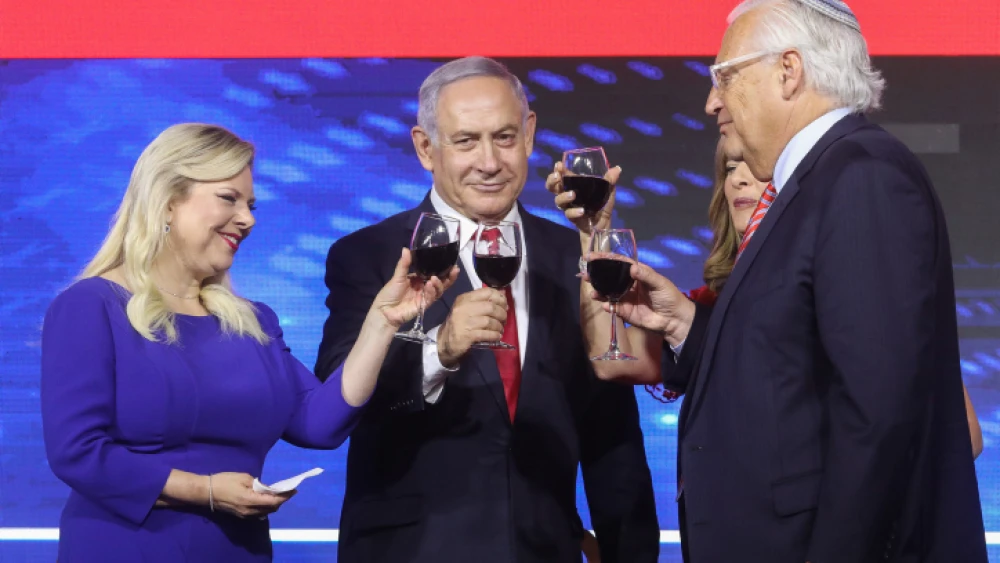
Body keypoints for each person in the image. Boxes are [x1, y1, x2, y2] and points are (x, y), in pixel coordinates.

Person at [557, 1, 989, 561]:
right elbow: (794, 362)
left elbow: (876, 414)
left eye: (725, 77)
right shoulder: (819, 182)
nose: (713, 101)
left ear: (789, 71)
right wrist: (688, 322)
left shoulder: (861, 176)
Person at [40, 123, 456, 563]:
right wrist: (206, 491)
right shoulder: (91, 307)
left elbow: (320, 423)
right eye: (229, 198)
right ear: (167, 201)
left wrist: (381, 322)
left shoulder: (252, 321)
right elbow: (78, 453)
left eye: (251, 204)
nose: (249, 218)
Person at [315, 56, 659, 563]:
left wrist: (631, 552)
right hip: (411, 550)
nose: (490, 162)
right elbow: (339, 402)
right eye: (465, 141)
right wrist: (440, 351)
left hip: (544, 548)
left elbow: (611, 434)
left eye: (503, 137)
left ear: (530, 134)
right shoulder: (369, 257)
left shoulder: (576, 256)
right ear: (425, 148)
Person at [652, 141, 985, 459]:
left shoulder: (847, 281)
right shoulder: (713, 301)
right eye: (730, 168)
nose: (739, 178)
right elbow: (618, 361)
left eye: (754, 165)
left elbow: (963, 437)